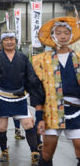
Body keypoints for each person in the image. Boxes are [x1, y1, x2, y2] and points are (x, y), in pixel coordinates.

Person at [0, 31, 43, 164]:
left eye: (11, 39)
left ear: (15, 41)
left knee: (28, 123)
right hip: (2, 97)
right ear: (2, 43)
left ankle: (34, 152)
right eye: (6, 39)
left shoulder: (22, 57)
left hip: (19, 97)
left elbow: (31, 76)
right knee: (1, 127)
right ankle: (4, 152)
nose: (9, 41)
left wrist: (40, 92)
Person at [32, 17, 80, 166]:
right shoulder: (41, 60)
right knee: (47, 151)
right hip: (51, 111)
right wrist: (39, 117)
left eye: (66, 33)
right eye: (58, 33)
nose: (63, 36)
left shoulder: (78, 57)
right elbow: (37, 91)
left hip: (76, 109)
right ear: (52, 36)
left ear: (71, 36)